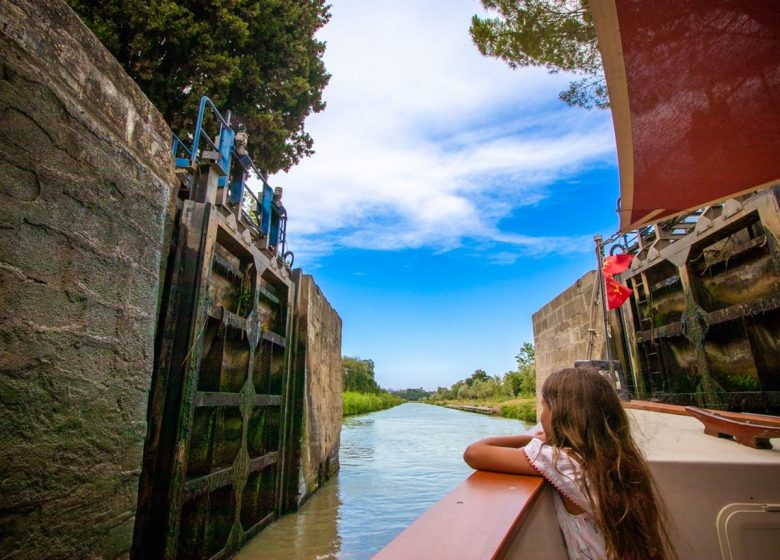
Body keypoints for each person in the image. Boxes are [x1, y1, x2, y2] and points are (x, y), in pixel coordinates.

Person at [463, 367, 675, 560]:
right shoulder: (621, 459)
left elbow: (474, 453)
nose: (541, 414)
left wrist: (531, 439)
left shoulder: (562, 462)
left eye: (544, 406)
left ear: (558, 415)